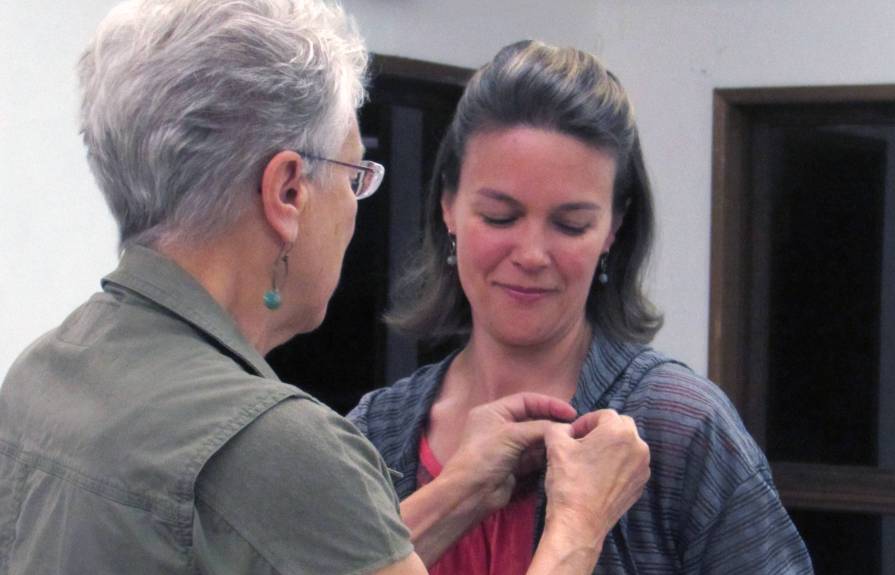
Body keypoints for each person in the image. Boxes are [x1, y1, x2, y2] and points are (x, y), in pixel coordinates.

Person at [0, 4, 652, 574]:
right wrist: (578, 524)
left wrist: (458, 489)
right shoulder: (285, 448)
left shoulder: (41, 377)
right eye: (352, 173)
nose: (354, 205)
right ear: (287, 191)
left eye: (569, 221)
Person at [349, 40, 814, 574]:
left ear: (613, 229)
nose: (530, 254)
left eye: (570, 225)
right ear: (448, 206)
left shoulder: (681, 427)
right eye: (500, 216)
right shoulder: (376, 433)